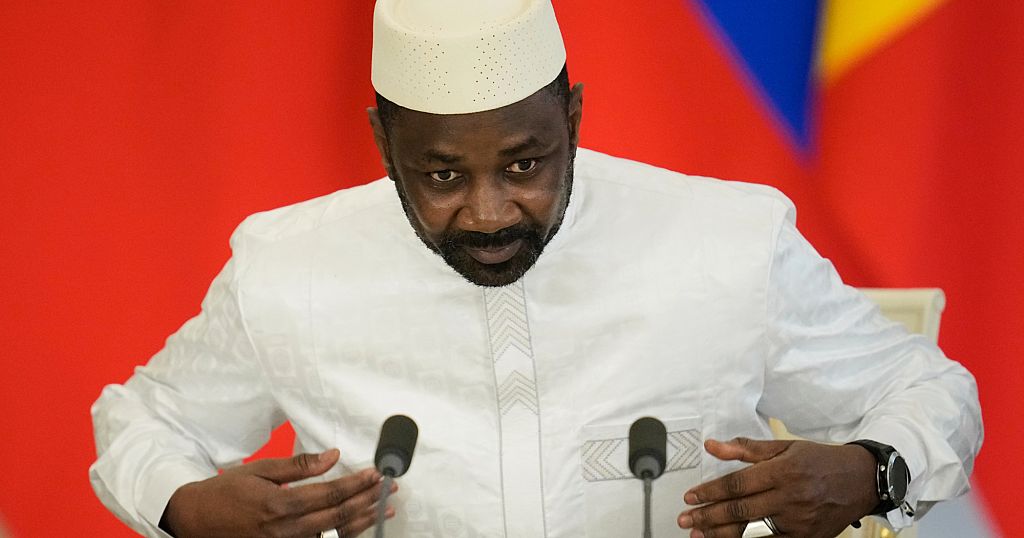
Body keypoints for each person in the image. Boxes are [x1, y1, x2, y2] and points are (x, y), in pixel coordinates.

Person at [90, 1, 982, 537]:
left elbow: (930, 390)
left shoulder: (728, 241)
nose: (488, 213)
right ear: (383, 143)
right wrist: (185, 507)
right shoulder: (291, 268)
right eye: (442, 176)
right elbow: (141, 419)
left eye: (525, 164)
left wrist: (872, 471)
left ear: (574, 120)